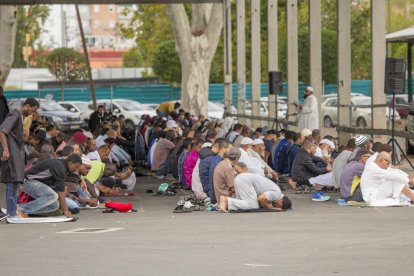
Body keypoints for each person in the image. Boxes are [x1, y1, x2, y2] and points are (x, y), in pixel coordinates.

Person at [0, 97, 39, 218]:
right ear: (27, 106)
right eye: (32, 110)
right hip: (12, 154)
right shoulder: (15, 114)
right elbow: (2, 131)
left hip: (17, 155)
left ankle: (13, 212)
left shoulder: (21, 118)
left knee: (17, 183)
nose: (32, 114)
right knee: (12, 183)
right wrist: (6, 149)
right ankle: (11, 213)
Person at [17, 154, 82, 218]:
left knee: (54, 205)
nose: (76, 170)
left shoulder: (63, 167)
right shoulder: (60, 167)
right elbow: (60, 193)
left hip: (34, 183)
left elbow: (57, 188)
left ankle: (24, 211)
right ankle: (21, 209)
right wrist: (66, 211)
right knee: (53, 195)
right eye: (76, 167)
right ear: (70, 163)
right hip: (27, 182)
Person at [219, 165, 292, 212]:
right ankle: (226, 200)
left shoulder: (276, 192)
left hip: (242, 178)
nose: (274, 205)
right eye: (278, 206)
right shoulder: (276, 193)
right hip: (246, 181)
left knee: (244, 201)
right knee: (253, 206)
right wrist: (270, 208)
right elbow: (261, 198)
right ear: (281, 202)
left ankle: (225, 203)